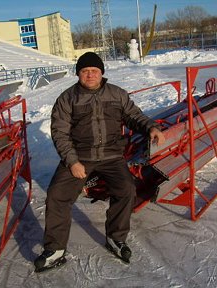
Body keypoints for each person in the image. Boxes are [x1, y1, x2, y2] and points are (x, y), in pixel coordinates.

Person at [34, 52, 165, 272]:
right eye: (85, 71)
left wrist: (151, 127)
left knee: (126, 189)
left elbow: (134, 116)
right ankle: (55, 249)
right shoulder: (67, 98)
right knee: (57, 194)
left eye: (94, 71)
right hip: (80, 156)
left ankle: (116, 238)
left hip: (112, 155)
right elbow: (60, 133)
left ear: (102, 72)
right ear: (78, 74)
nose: (90, 75)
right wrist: (72, 161)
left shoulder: (116, 94)